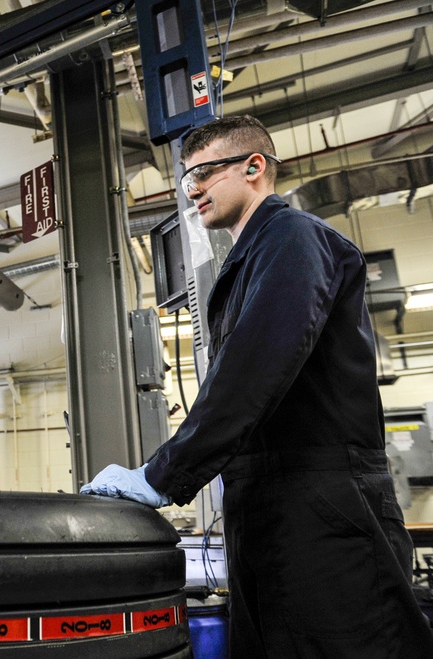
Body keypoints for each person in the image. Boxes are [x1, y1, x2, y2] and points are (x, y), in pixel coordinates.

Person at [81, 116, 433, 657]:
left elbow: (254, 366)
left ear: (254, 169)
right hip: (270, 510)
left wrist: (163, 473)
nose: (191, 187)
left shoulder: (293, 238)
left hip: (323, 507)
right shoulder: (250, 259)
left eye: (204, 171)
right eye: (185, 178)